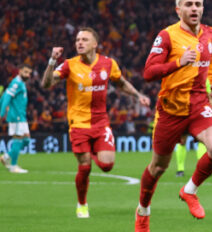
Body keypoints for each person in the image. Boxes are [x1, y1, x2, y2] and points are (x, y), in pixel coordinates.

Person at [134, 0, 212, 232]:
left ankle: (190, 190)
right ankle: (143, 210)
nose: (194, 8)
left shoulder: (211, 34)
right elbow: (148, 72)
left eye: (198, 4)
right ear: (179, 10)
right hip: (171, 109)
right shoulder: (167, 36)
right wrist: (178, 62)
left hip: (198, 104)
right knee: (158, 166)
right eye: (189, 5)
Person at [42, 28, 151, 218]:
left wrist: (138, 95)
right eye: (77, 40)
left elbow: (121, 82)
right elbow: (46, 84)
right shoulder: (69, 65)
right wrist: (52, 61)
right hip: (78, 124)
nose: (79, 43)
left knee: (107, 166)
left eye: (84, 39)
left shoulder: (108, 63)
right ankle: (82, 204)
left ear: (95, 44)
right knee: (84, 167)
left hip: (101, 123)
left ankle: (91, 151)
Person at [0, 66, 33, 173]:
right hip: (16, 116)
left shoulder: (21, 83)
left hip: (21, 116)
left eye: (29, 73)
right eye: (25, 72)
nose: (28, 75)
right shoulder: (16, 83)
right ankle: (13, 166)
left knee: (26, 140)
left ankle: (6, 157)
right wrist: (2, 113)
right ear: (19, 72)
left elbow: (5, 95)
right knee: (18, 140)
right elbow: (6, 97)